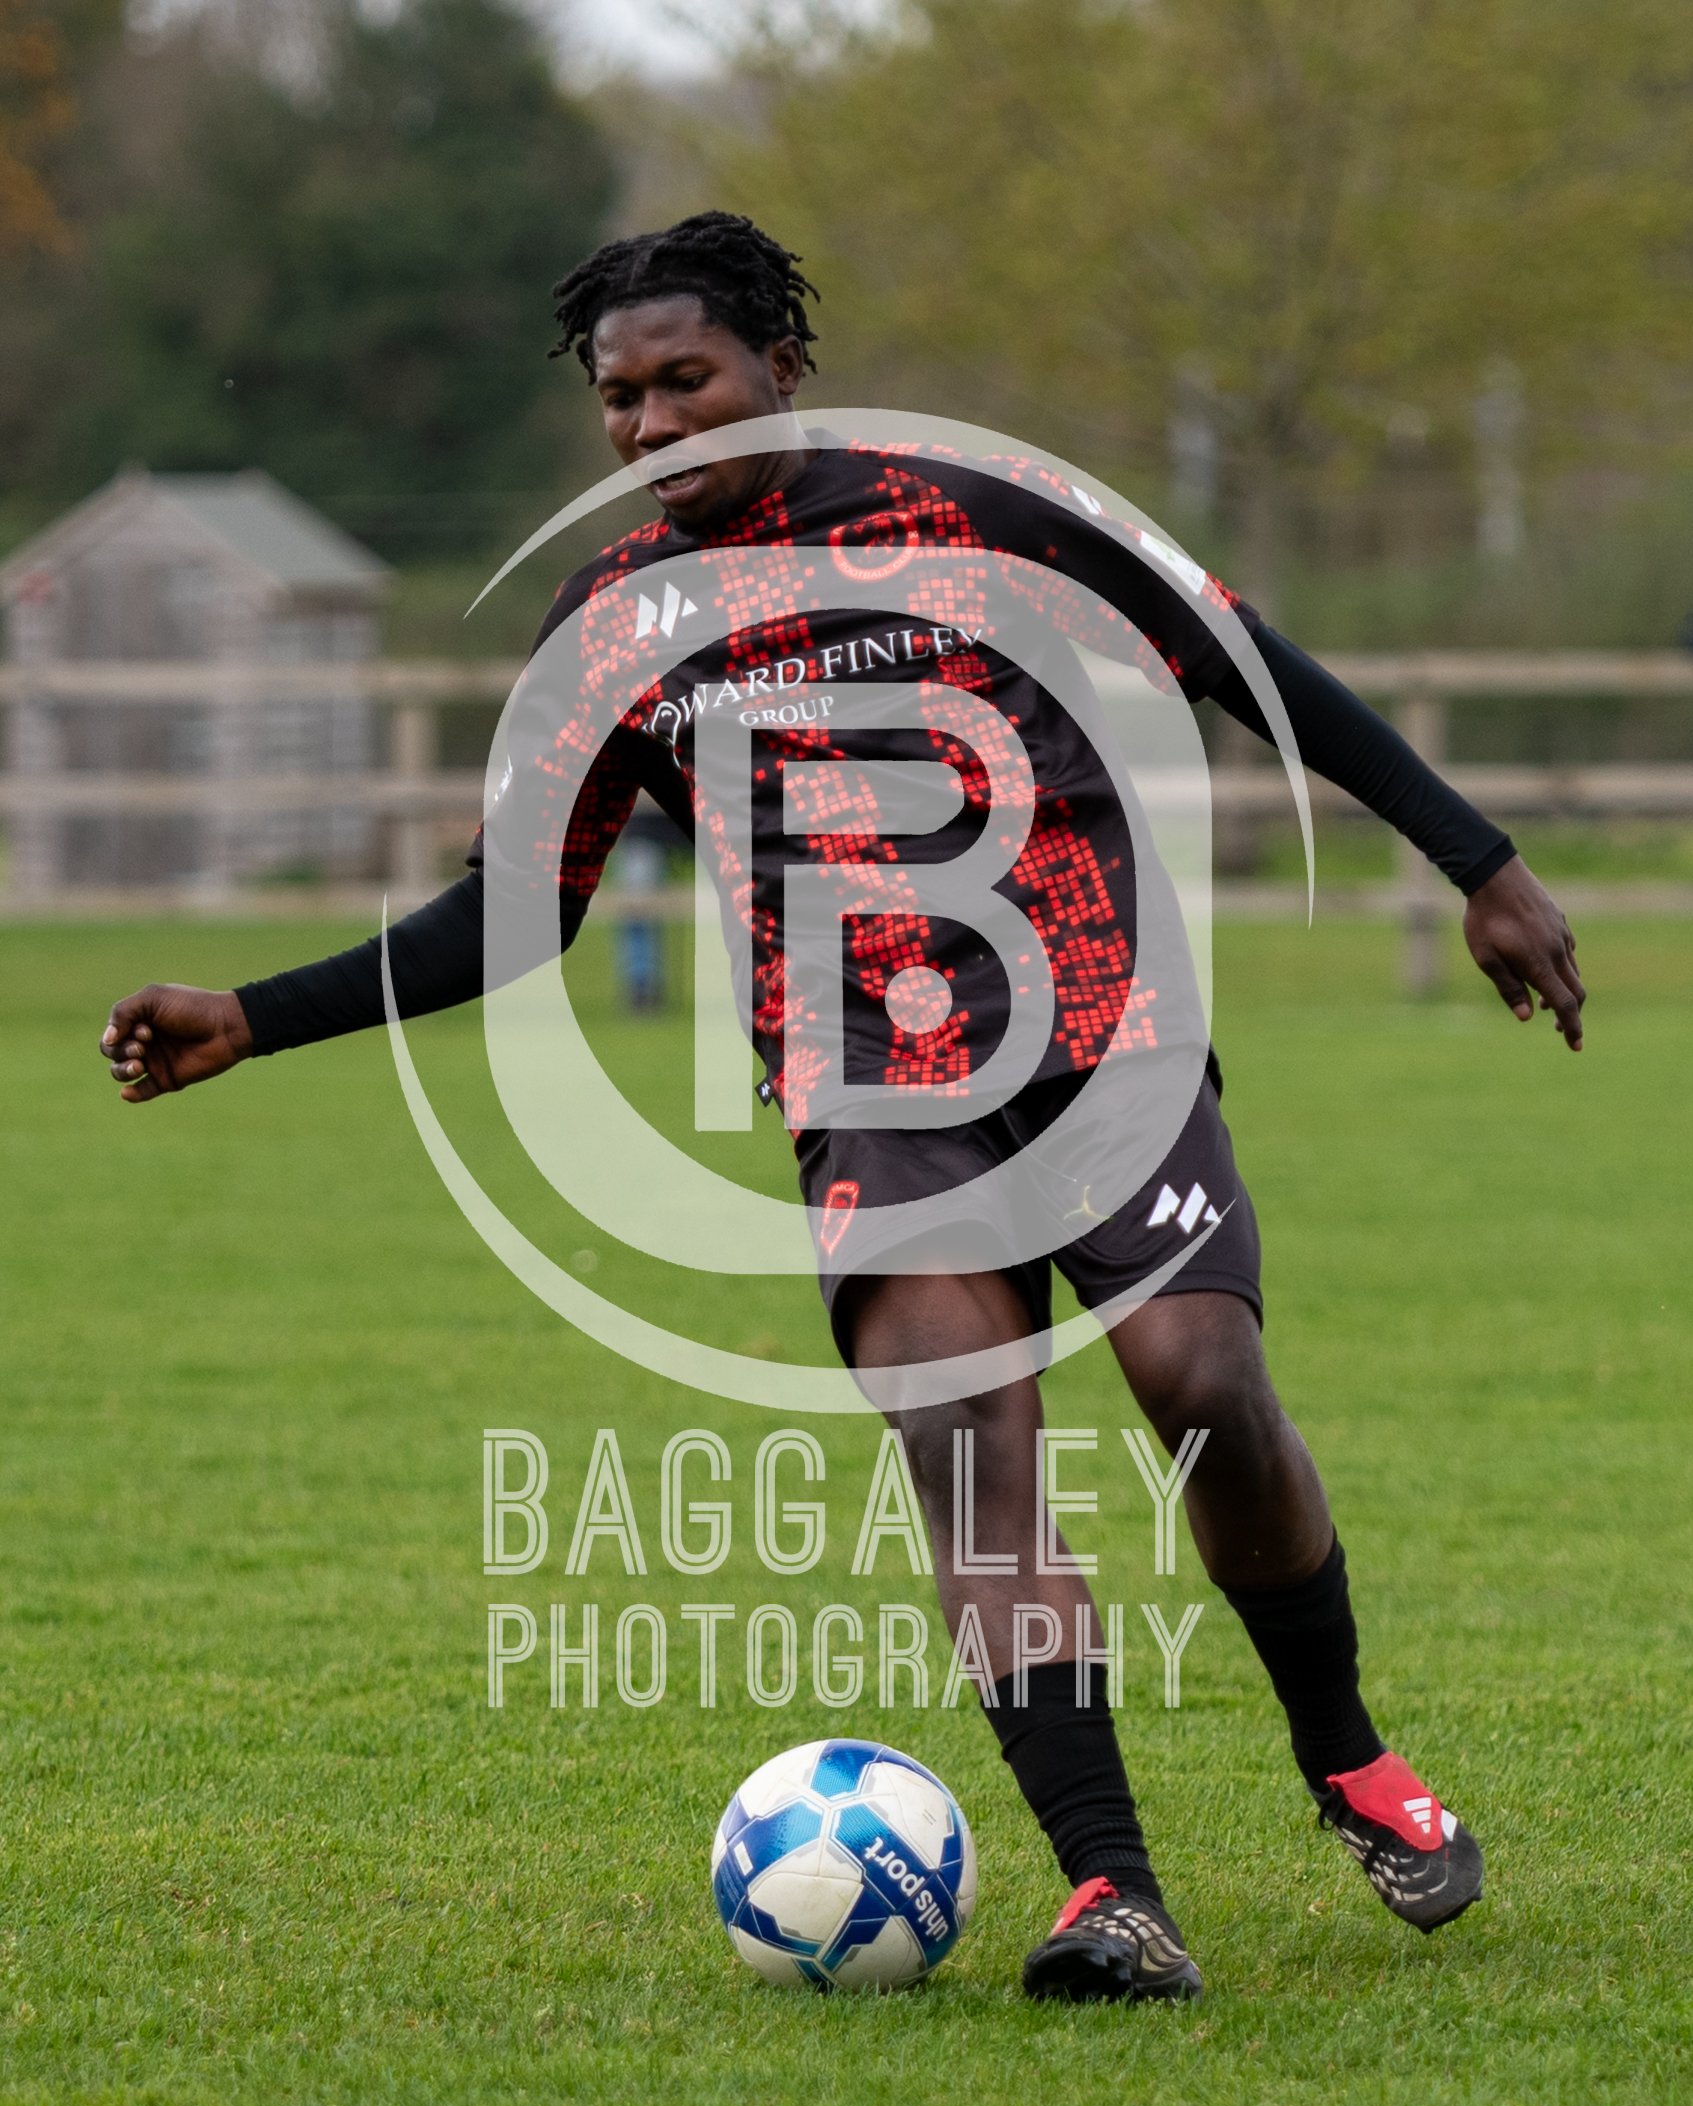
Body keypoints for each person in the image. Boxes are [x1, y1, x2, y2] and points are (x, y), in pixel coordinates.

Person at [100, 211, 1585, 2004]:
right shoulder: (615, 623)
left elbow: (1243, 659)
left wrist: (1479, 864)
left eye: (686, 380)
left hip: (1101, 1039)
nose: (649, 424)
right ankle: (1111, 1894)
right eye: (619, 398)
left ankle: (1341, 1754)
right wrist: (253, 1018)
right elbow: (514, 911)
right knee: (966, 1449)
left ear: (781, 368)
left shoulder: (981, 511)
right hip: (871, 1091)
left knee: (1204, 1388)